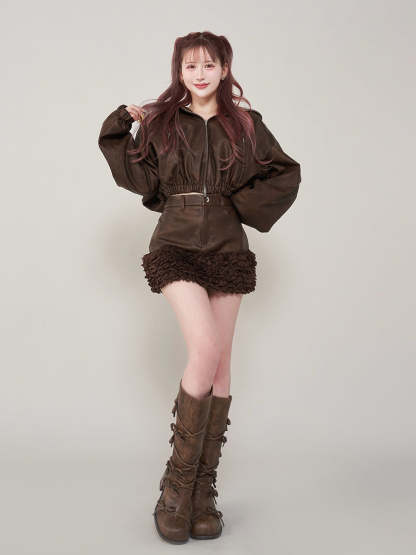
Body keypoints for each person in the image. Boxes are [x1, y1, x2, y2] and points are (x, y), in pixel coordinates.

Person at [98, 31, 301, 544]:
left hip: (228, 246)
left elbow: (285, 173)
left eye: (209, 64)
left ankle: (204, 493)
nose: (200, 73)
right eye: (190, 65)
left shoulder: (247, 126)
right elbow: (139, 179)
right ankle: (175, 489)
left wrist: (237, 204)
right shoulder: (163, 123)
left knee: (222, 366)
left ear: (225, 68)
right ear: (179, 71)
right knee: (204, 349)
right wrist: (122, 125)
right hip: (176, 241)